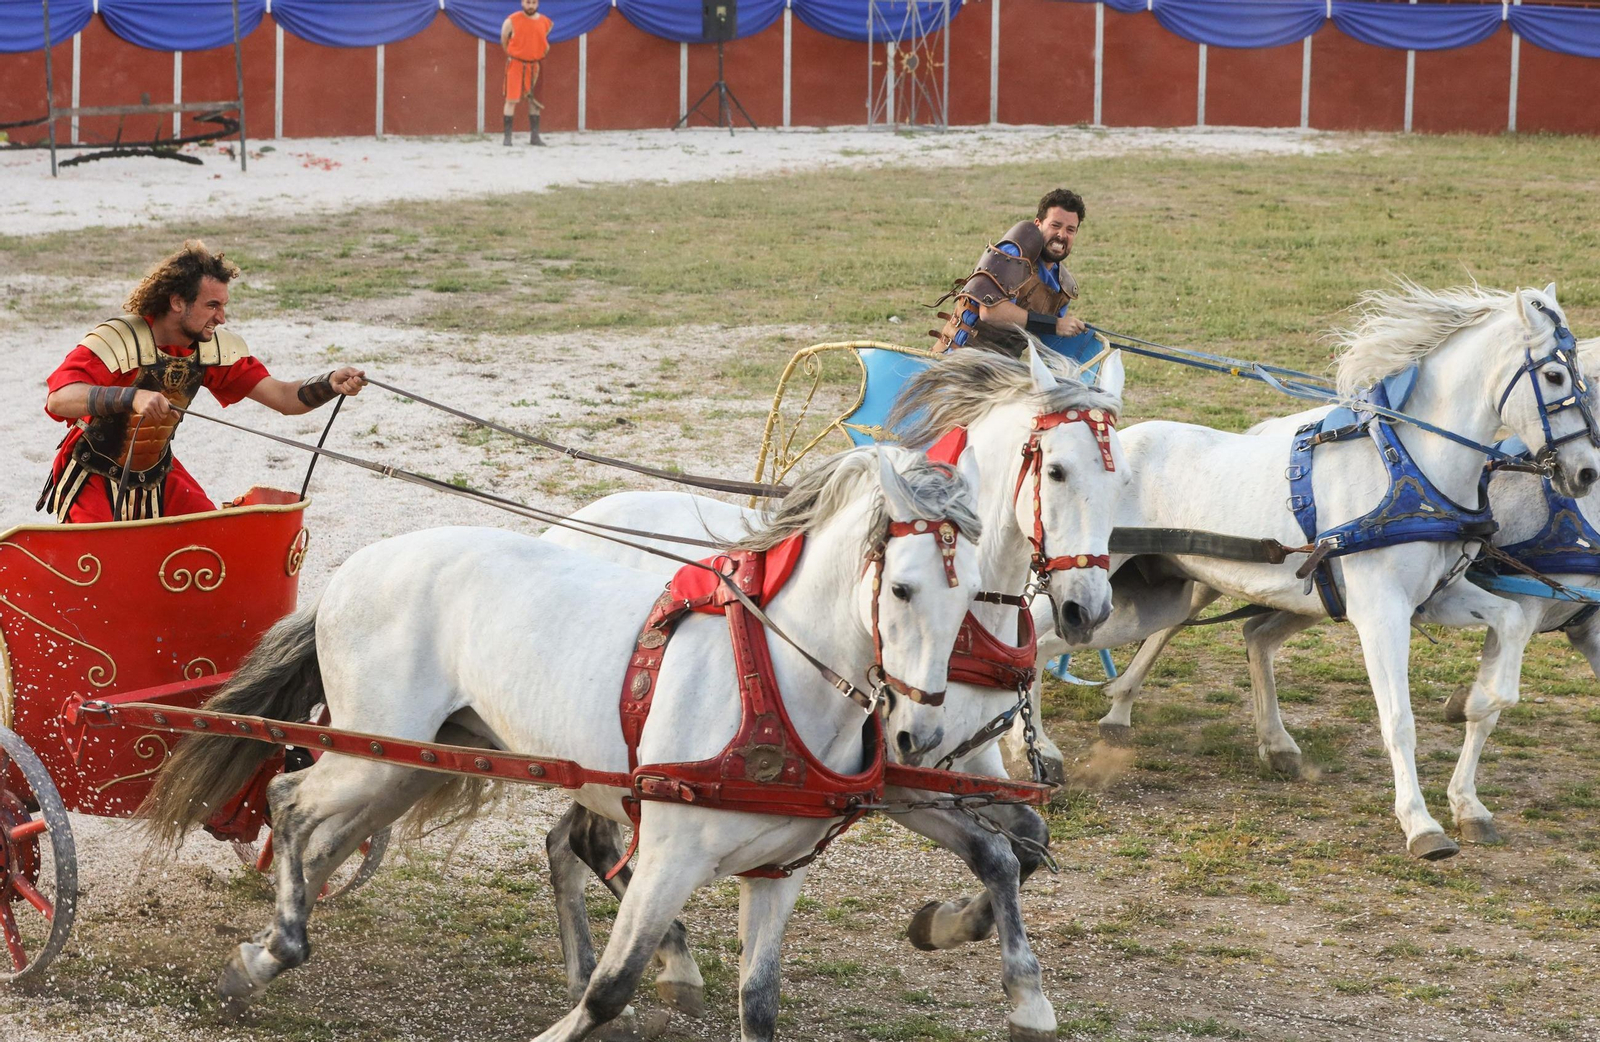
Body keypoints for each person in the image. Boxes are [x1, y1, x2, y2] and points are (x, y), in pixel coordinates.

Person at [38, 240, 366, 523]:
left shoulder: (210, 349)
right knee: (104, 568)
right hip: (93, 472)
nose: (221, 317)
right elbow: (59, 399)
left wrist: (330, 383)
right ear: (178, 301)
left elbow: (284, 398)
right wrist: (131, 398)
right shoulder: (120, 340)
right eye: (212, 305)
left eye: (223, 306)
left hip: (158, 472)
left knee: (213, 537)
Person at [931, 188, 1098, 364]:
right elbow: (991, 312)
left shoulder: (1062, 287)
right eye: (1055, 225)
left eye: (1070, 230)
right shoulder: (1013, 253)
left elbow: (1046, 343)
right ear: (1037, 224)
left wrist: (1084, 339)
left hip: (1003, 373)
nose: (1062, 235)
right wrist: (1055, 325)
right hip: (958, 361)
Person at [502, 0, 554, 147]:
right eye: (527, 2)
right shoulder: (511, 20)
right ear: (522, 3)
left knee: (535, 103)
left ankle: (534, 137)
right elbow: (504, 39)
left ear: (537, 4)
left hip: (535, 66)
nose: (530, 6)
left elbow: (544, 43)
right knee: (511, 100)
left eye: (533, 3)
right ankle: (507, 138)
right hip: (516, 64)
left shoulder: (545, 22)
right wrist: (515, 55)